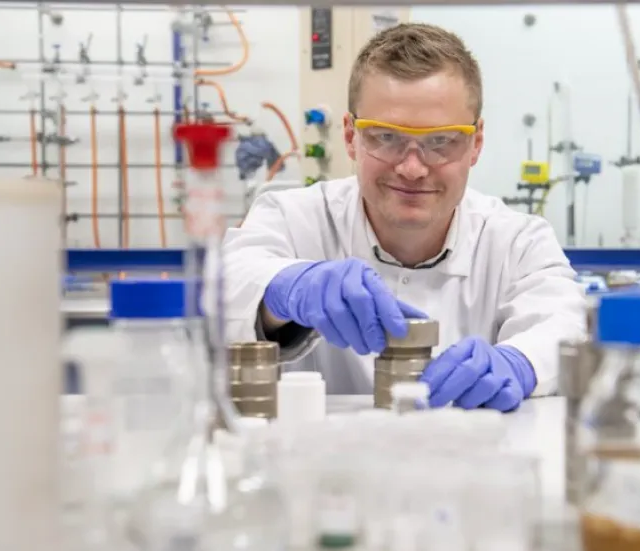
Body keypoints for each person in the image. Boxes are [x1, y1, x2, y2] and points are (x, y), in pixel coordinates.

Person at [223, 22, 587, 412]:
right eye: (386, 137)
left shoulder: (517, 241)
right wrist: (284, 290)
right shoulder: (293, 217)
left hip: (471, 462)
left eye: (441, 140)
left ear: (475, 143)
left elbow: (563, 324)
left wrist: (519, 362)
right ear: (350, 136)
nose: (412, 168)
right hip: (322, 465)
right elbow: (224, 287)